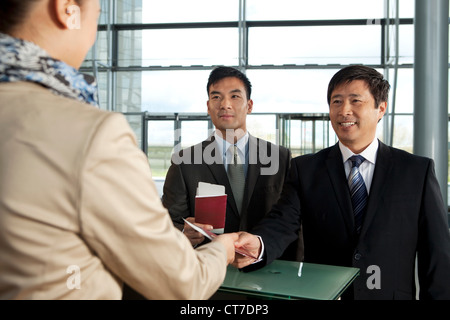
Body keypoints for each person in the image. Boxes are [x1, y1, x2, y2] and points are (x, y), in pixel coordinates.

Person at [0, 0, 239, 300]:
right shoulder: (90, 134)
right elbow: (182, 282)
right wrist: (222, 249)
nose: (92, 35)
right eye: (96, 18)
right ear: (66, 9)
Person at [234, 65, 450, 300]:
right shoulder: (306, 169)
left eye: (355, 101)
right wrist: (258, 243)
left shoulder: (416, 171)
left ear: (381, 108)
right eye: (336, 102)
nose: (344, 110)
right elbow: (283, 222)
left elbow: (437, 255)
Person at [162, 66, 302, 261]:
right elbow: (167, 223)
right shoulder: (185, 162)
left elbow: (293, 221)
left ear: (249, 105)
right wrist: (185, 234)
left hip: (270, 271)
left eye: (235, 96)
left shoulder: (280, 158)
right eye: (216, 97)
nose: (225, 104)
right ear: (208, 106)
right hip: (210, 275)